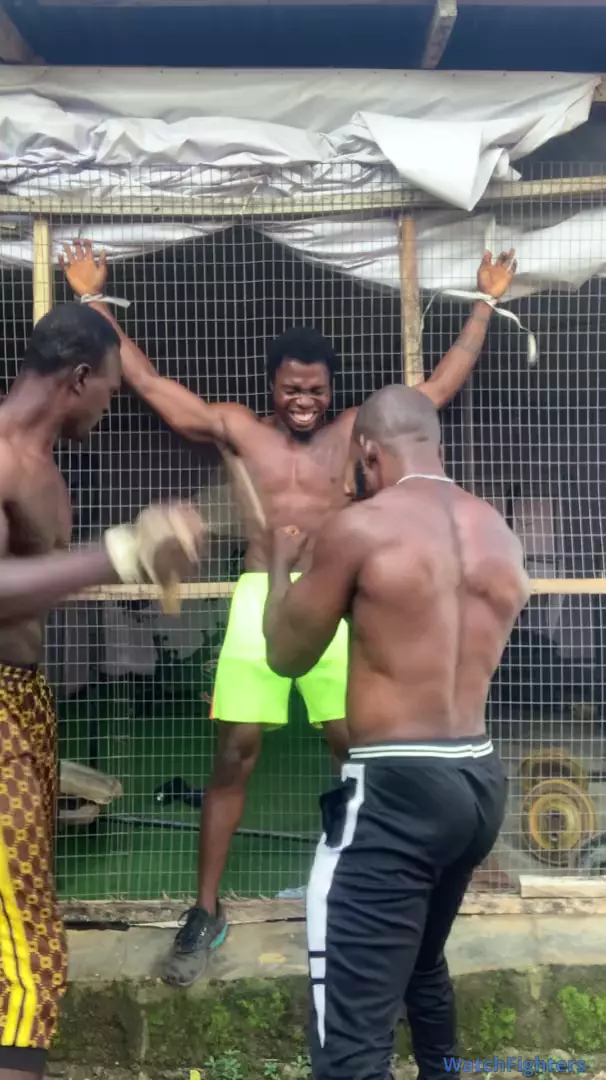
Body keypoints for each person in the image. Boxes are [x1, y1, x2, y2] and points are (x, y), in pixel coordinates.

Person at [59, 239, 517, 988]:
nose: (303, 399)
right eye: (291, 388)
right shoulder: (241, 428)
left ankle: (371, 893)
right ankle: (205, 909)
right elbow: (150, 385)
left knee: (355, 749)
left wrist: (485, 304)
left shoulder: (356, 432)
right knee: (235, 752)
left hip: (336, 598)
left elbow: (434, 391)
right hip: (256, 597)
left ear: (332, 391)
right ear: (272, 386)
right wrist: (93, 302)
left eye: (314, 389)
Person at [262, 384, 530, 1080]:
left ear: (368, 453)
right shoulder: (498, 531)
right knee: (421, 964)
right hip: (478, 780)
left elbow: (286, 655)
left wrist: (279, 569)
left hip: (396, 790)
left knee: (350, 1042)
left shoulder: (363, 528)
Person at [0, 302, 205, 1080]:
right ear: (78, 378)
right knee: (28, 960)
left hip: (24, 701)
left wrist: (150, 559)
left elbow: (35, 584)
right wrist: (119, 551)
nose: (109, 409)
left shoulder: (44, 469)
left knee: (16, 931)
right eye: (111, 393)